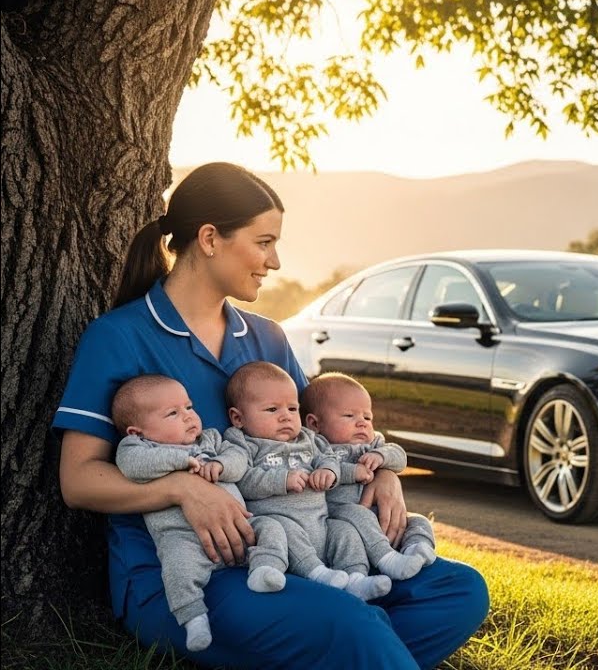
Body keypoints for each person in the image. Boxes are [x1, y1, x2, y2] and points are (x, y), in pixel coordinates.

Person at [56, 161, 489, 669]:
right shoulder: (119, 336)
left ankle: (346, 650)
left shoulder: (267, 338)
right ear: (211, 238)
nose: (275, 261)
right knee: (352, 624)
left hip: (301, 551)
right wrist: (181, 488)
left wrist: (386, 469)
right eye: (263, 243)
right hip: (184, 574)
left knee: (460, 590)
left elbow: (323, 429)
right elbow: (78, 480)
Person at [112, 374, 290, 651]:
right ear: (137, 432)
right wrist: (183, 460)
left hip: (241, 527)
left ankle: (265, 568)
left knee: (273, 527)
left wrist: (220, 465)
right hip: (185, 538)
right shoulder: (137, 448)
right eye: (172, 413)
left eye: (189, 407)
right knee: (176, 566)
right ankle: (193, 618)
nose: (188, 417)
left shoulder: (211, 439)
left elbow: (239, 459)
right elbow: (134, 465)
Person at [222, 361, 403, 599]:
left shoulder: (308, 438)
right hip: (282, 522)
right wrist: (282, 480)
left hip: (322, 521)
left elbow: (328, 458)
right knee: (281, 529)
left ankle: (357, 578)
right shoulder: (242, 442)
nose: (285, 417)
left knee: (345, 531)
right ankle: (317, 574)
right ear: (238, 418)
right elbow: (242, 480)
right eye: (272, 410)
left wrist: (328, 472)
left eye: (292, 409)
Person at [302, 372, 437, 570]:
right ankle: (383, 561)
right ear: (315, 424)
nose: (362, 422)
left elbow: (399, 456)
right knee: (357, 517)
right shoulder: (316, 447)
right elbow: (321, 473)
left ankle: (417, 549)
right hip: (340, 512)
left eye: (367, 416)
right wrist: (353, 471)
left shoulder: (373, 443)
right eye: (349, 416)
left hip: (377, 514)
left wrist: (382, 457)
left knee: (418, 521)